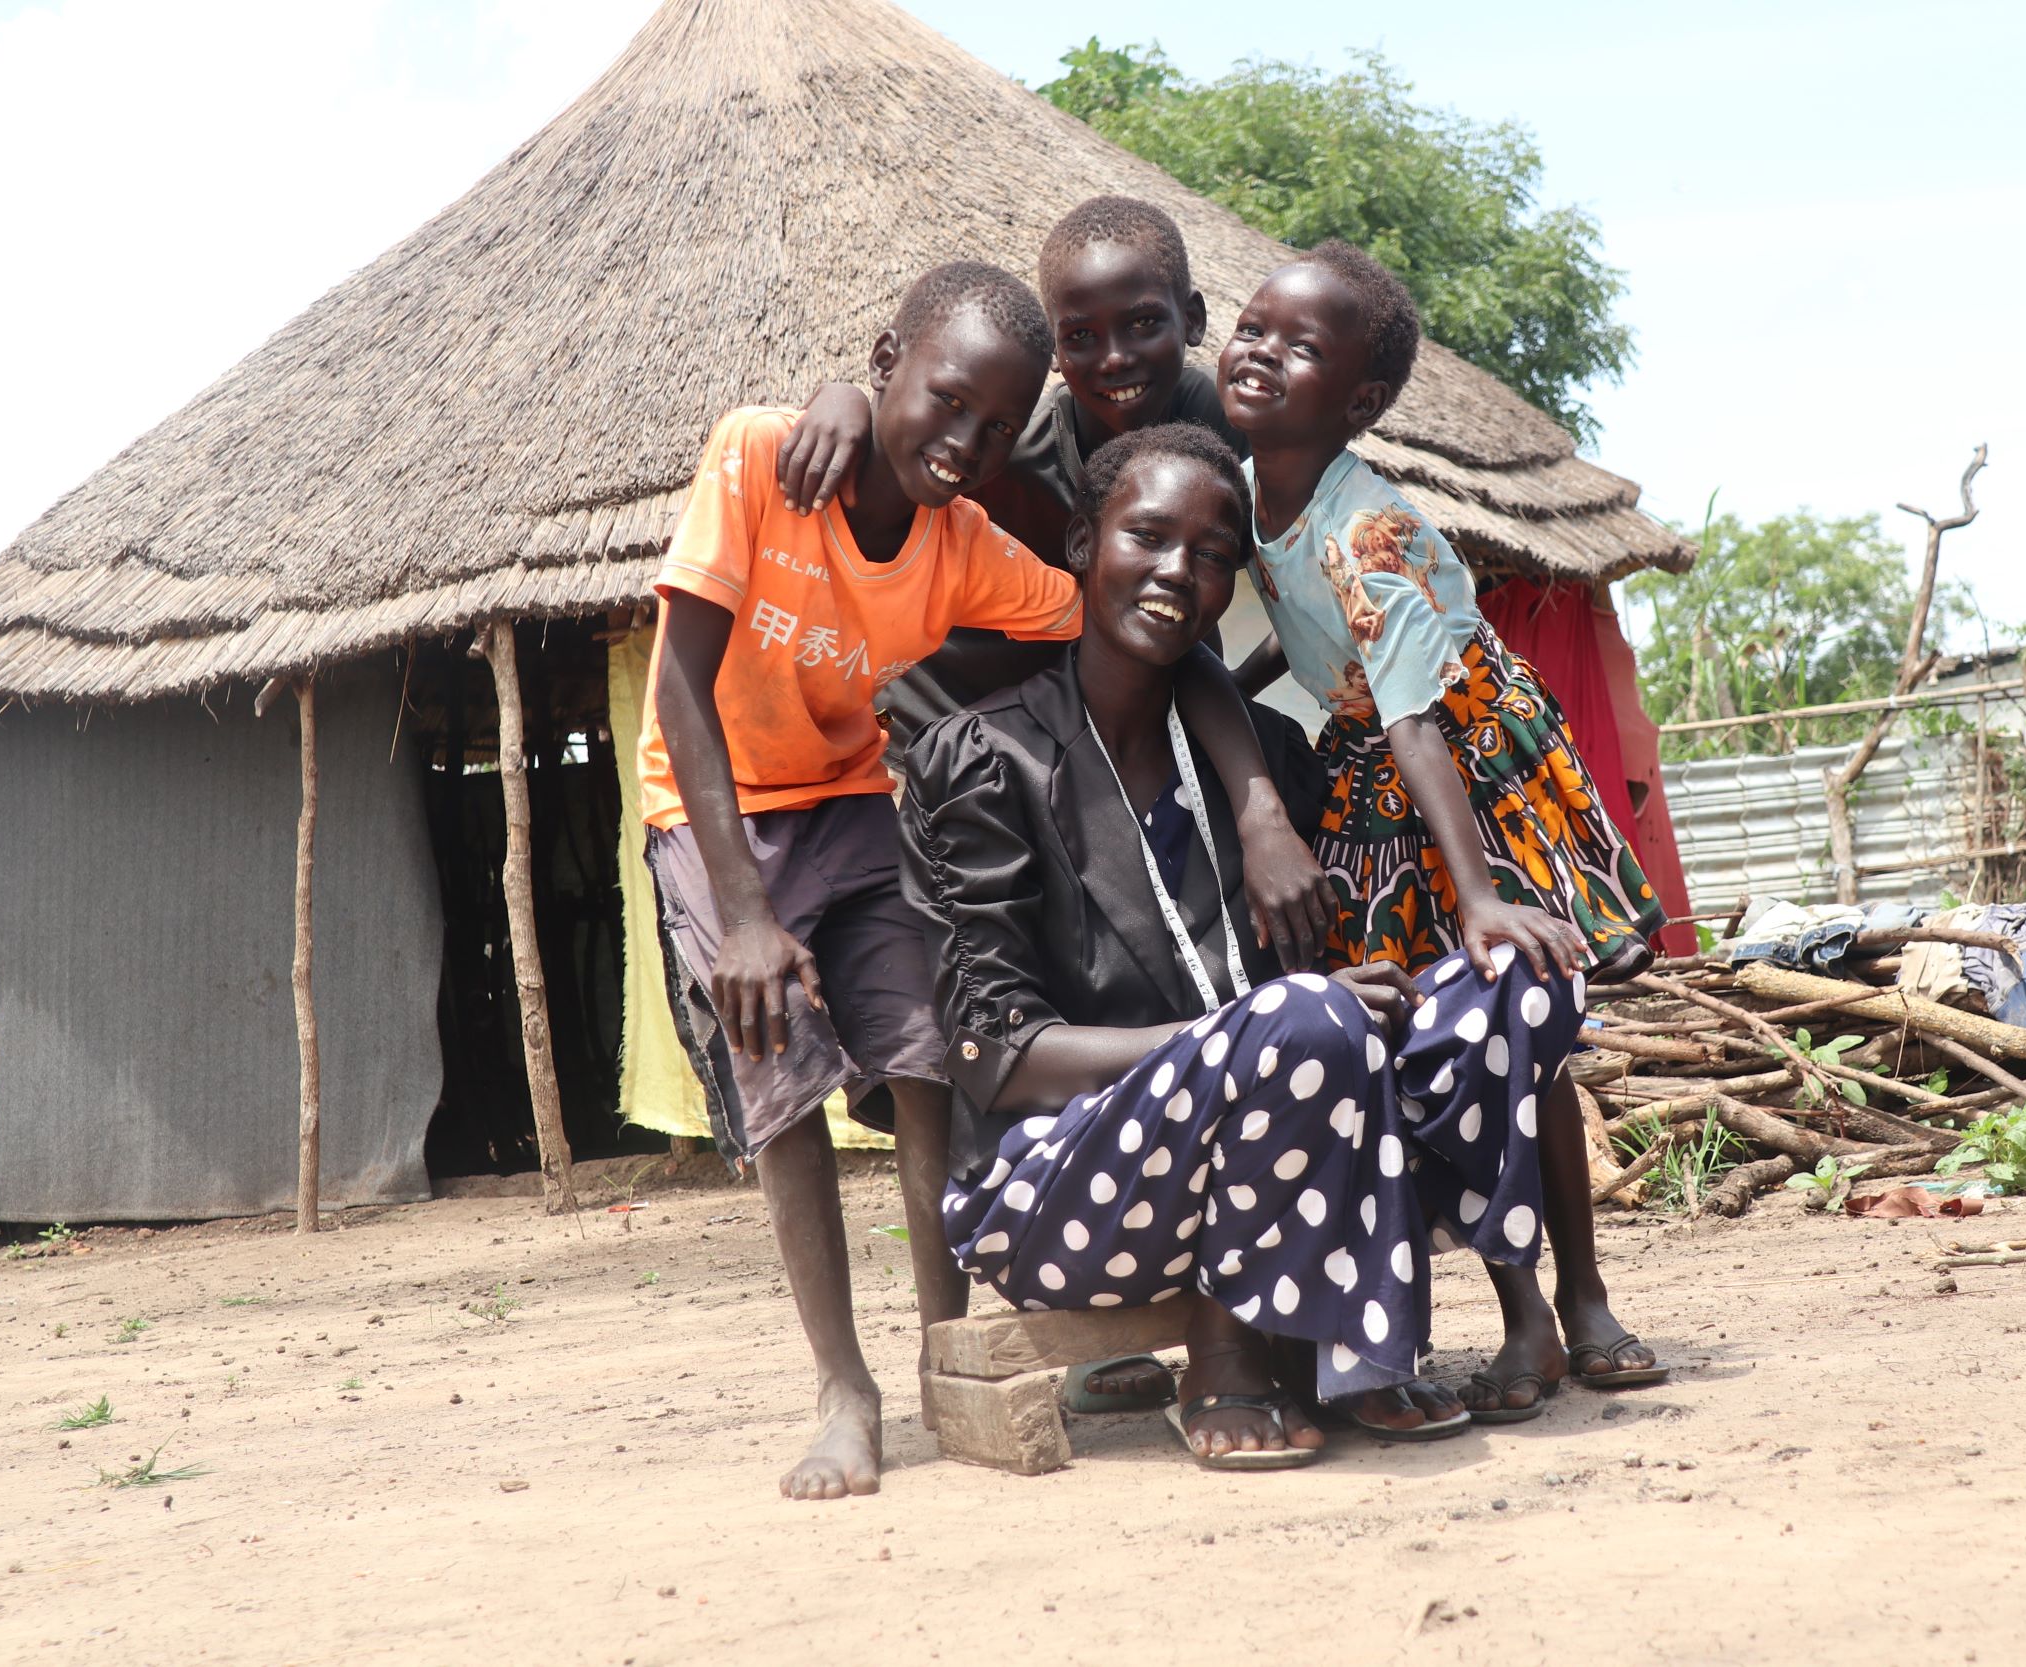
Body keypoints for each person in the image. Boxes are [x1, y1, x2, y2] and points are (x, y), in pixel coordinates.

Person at [640, 262, 1322, 1503]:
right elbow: (679, 681)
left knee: (926, 1067)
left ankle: (942, 1351)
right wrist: (743, 913)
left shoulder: (963, 549)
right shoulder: (757, 455)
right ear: (887, 357)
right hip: (715, 810)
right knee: (781, 1071)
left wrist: (1259, 800)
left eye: (998, 428)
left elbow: (1149, 629)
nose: (965, 443)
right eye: (945, 402)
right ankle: (843, 1387)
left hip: (848, 798)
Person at [904, 423, 1597, 1466]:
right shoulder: (982, 760)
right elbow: (999, 1058)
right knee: (1296, 1018)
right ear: (1084, 544)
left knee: (1510, 989)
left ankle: (1359, 1343)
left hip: (1298, 1154)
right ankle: (1232, 1358)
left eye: (1215, 554)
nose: (1179, 572)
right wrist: (1238, 1034)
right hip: (1064, 1192)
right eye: (1147, 536)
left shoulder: (1268, 762)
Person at [1217, 242, 1670, 1413]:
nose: (1261, 351)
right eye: (1254, 327)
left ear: (1360, 401)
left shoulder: (1370, 530)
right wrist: (1244, 677)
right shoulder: (1253, 488)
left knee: (1516, 1025)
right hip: (1378, 765)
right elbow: (1335, 644)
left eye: (1300, 346)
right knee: (1438, 1038)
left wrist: (1476, 895)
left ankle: (1577, 1299)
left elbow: (1419, 714)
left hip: (1465, 770)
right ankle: (1523, 1311)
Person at [774, 195, 1243, 748]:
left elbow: (1318, 555)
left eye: (1142, 323)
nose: (1115, 358)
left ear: (1191, 319)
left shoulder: (1224, 431)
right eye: (1082, 336)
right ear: (1054, 349)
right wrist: (844, 397)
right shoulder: (1003, 452)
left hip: (1086, 746)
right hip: (930, 731)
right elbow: (893, 452)